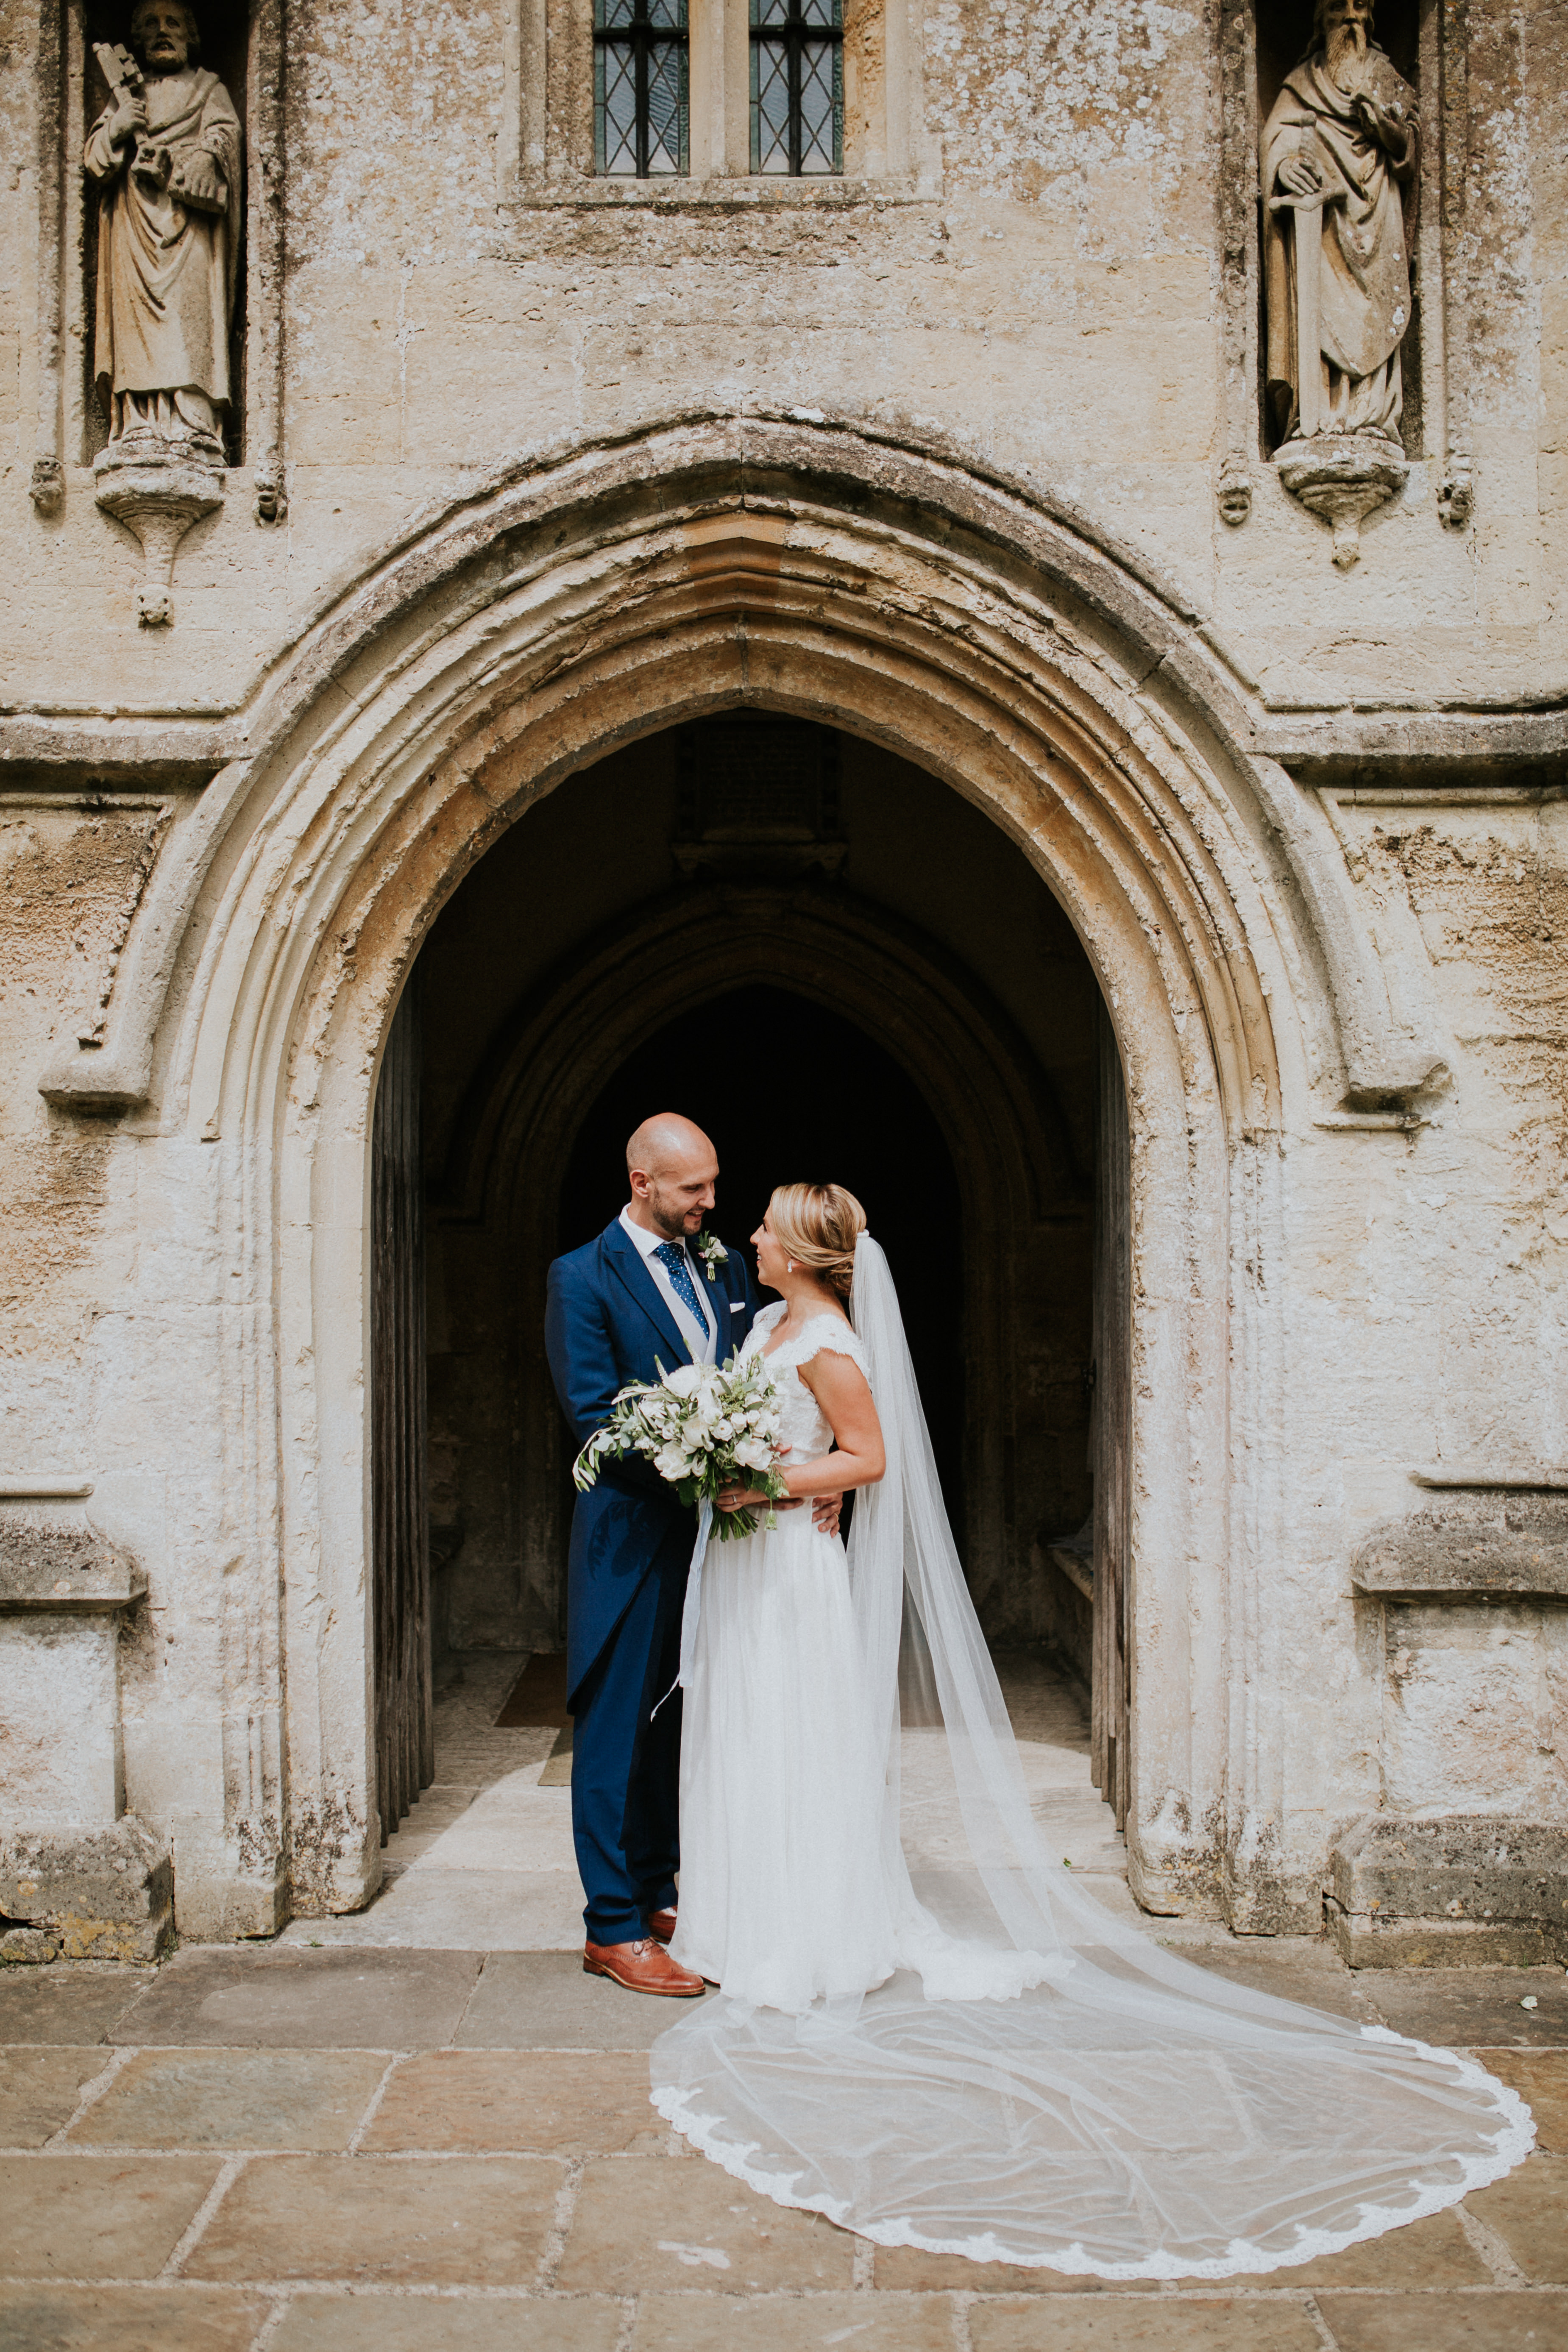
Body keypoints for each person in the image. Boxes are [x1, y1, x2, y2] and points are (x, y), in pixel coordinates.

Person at [652, 1183, 1535, 2277]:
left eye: (766, 1225)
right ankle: (744, 1912)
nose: (749, 1233)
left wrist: (759, 1483)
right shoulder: (764, 1323)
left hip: (786, 1565)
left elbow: (865, 1458)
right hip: (749, 1568)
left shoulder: (828, 1339)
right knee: (746, 1735)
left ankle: (808, 1931)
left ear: (803, 1249)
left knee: (797, 1742)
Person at [544, 1116, 838, 1996]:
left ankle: (657, 1888)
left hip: (728, 1541)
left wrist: (816, 1466)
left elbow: (766, 1375)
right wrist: (725, 1463)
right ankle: (610, 1926)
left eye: (714, 1184)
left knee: (682, 1719)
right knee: (613, 1728)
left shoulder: (716, 1261)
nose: (712, 1203)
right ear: (641, 1182)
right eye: (693, 1189)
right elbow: (597, 1416)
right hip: (633, 1537)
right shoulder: (580, 1277)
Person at [84, 0, 241, 451]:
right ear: (136, 38)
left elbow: (225, 150)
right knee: (136, 329)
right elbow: (94, 161)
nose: (162, 31)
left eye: (173, 22)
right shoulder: (126, 97)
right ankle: (138, 423)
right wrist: (118, 127)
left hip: (189, 232)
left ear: (191, 35)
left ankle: (191, 424)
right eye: (150, 24)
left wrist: (178, 166)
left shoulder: (209, 90)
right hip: (132, 231)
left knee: (186, 321)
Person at [1261, 0, 1419, 446]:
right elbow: (1276, 137)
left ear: (1371, 19)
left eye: (1359, 10)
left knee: (1378, 302)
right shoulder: (1302, 84)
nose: (1350, 20)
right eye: (1338, 10)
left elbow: (1412, 145)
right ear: (1321, 22)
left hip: (1378, 209)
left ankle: (1373, 412)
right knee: (1319, 301)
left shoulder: (1385, 75)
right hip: (1322, 219)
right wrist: (1284, 164)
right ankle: (1323, 409)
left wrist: (1384, 131)